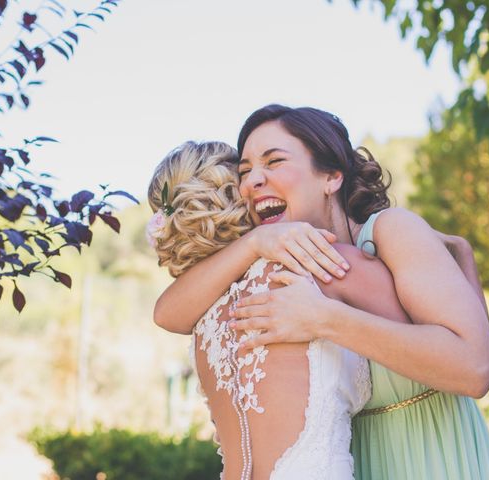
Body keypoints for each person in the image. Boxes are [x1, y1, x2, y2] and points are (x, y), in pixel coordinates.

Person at [153, 105, 489, 479]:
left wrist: (324, 319)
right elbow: (167, 314)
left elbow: (475, 368)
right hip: (364, 461)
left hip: (435, 457)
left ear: (332, 176)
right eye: (245, 171)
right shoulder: (279, 264)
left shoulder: (390, 232)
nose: (253, 180)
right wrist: (256, 242)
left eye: (273, 162)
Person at [148, 141, 413, 479]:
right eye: (247, 173)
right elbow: (436, 340)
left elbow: (163, 314)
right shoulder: (317, 262)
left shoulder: (201, 314)